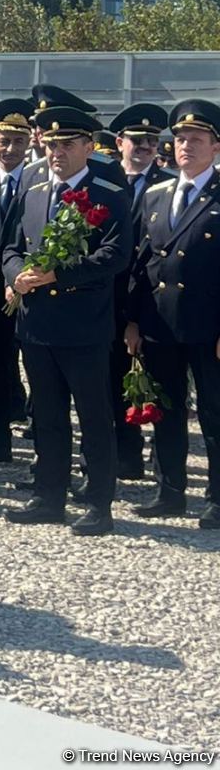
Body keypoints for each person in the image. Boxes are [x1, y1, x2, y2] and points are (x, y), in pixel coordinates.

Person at [4, 106, 130, 536]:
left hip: (83, 322)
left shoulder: (109, 192)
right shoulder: (34, 189)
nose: (57, 152)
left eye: (67, 144)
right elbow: (9, 246)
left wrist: (58, 275)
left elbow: (114, 255)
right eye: (52, 144)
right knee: (48, 414)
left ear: (88, 147)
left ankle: (98, 503)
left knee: (93, 416)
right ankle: (49, 494)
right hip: (37, 322)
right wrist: (14, 276)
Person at [126, 99, 220, 530]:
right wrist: (132, 319)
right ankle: (170, 491)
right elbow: (142, 262)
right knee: (165, 408)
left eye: (196, 139)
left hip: (208, 324)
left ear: (215, 147)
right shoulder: (156, 194)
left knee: (215, 414)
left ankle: (217, 498)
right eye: (180, 139)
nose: (185, 146)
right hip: (161, 321)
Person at [107, 102, 174, 481]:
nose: (145, 146)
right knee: (111, 379)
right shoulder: (103, 179)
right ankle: (124, 455)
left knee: (155, 382)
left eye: (152, 140)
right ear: (120, 142)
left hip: (149, 300)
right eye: (137, 139)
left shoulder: (165, 184)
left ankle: (163, 464)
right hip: (107, 299)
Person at [0, 98, 34, 463]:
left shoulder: (39, 178)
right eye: (3, 141)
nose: (10, 149)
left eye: (18, 141)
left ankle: (45, 446)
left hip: (30, 287)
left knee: (37, 367)